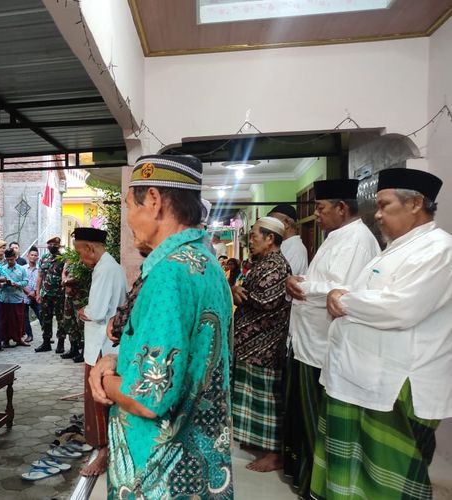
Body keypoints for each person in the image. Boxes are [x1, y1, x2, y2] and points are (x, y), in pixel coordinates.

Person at [89, 154, 233, 498]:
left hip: (157, 477)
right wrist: (116, 360)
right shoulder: (204, 260)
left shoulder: (169, 273)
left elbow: (148, 398)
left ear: (153, 201)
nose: (129, 219)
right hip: (196, 464)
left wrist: (104, 378)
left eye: (128, 206)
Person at [312, 168, 452, 500]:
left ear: (416, 203)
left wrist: (343, 300)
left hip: (398, 384)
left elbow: (400, 308)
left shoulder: (438, 249)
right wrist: (344, 296)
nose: (376, 215)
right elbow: (362, 293)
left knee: (389, 477)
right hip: (362, 378)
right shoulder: (394, 249)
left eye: (384, 205)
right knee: (353, 474)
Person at [282, 179, 379, 496]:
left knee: (320, 422)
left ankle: (321, 486)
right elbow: (323, 280)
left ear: (342, 208)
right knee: (308, 418)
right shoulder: (336, 236)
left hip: (324, 347)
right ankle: (311, 480)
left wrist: (302, 287)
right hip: (310, 342)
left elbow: (343, 292)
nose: (317, 216)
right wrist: (301, 281)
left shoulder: (356, 241)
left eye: (321, 209)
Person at [231, 216, 291, 472]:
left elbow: (265, 300)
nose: (251, 240)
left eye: (255, 235)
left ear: (270, 238)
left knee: (265, 401)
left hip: (264, 348)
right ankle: (258, 444)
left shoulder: (277, 265)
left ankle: (273, 454)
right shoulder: (262, 263)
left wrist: (236, 291)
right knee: (252, 399)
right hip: (249, 346)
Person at [73, 227, 126, 477]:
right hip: (102, 344)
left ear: (90, 248)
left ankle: (104, 452)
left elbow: (96, 311)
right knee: (98, 401)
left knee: (100, 401)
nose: (81, 259)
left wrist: (82, 311)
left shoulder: (105, 270)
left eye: (80, 253)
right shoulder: (108, 267)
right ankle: (102, 446)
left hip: (102, 347)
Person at [34, 236, 65, 352]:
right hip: (46, 294)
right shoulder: (44, 258)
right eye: (50, 244)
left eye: (55, 245)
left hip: (59, 294)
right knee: (46, 318)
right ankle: (46, 343)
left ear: (58, 246)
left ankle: (60, 343)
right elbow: (40, 276)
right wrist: (37, 292)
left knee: (61, 319)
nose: (52, 247)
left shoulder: (63, 258)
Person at [0, 248, 29, 347]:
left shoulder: (22, 269)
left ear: (15, 257)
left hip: (17, 298)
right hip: (5, 298)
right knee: (5, 320)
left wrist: (17, 284)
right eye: (7, 259)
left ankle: (19, 339)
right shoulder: (2, 269)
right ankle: (6, 340)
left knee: (18, 320)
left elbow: (25, 281)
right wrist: (3, 284)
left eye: (11, 259)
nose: (9, 261)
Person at [268, 204, 308, 276]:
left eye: (273, 222)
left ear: (286, 223)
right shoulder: (282, 244)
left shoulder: (296, 249)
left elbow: (282, 278)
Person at [22, 247, 41, 343]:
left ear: (38, 257)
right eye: (32, 255)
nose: (33, 257)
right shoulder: (22, 268)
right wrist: (28, 292)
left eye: (35, 255)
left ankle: (47, 335)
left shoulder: (40, 269)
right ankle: (29, 335)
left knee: (41, 315)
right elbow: (19, 281)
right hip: (24, 296)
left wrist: (34, 292)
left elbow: (41, 281)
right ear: (28, 255)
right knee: (25, 317)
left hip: (36, 296)